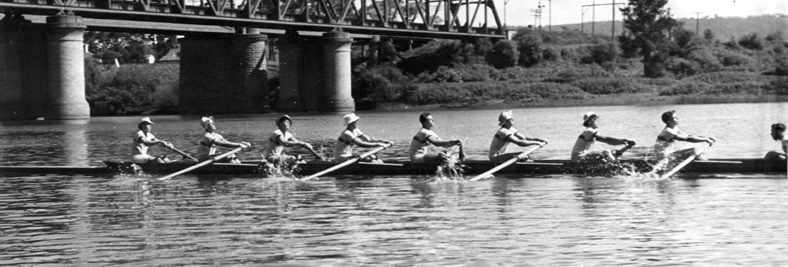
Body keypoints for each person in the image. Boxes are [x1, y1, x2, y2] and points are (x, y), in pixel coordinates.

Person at [570, 112, 636, 162]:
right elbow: (606, 139)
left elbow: (610, 142)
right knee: (606, 152)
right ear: (590, 122)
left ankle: (614, 163)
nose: (598, 121)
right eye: (596, 120)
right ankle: (617, 166)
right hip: (577, 158)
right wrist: (623, 141)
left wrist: (626, 145)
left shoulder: (590, 131)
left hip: (580, 157)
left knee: (613, 152)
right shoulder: (589, 131)